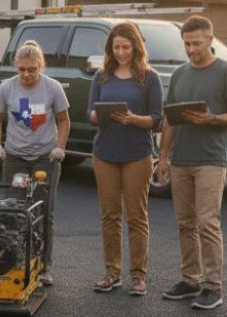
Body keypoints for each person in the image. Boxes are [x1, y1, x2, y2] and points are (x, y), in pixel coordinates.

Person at [156, 15, 227, 310]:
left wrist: (213, 119)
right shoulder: (180, 74)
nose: (191, 49)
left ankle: (212, 287)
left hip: (211, 159)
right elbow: (170, 117)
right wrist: (163, 158)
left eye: (196, 43)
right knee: (185, 223)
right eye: (187, 44)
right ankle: (189, 280)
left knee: (207, 223)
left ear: (210, 40)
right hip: (181, 159)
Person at [87, 21, 163, 296]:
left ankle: (138, 276)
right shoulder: (101, 77)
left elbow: (157, 120)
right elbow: (90, 114)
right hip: (105, 153)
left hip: (137, 155)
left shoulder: (149, 77)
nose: (120, 52)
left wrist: (133, 119)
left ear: (136, 47)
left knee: (136, 216)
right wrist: (99, 115)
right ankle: (111, 272)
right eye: (116, 47)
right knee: (109, 216)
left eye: (126, 47)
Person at [0, 39, 70, 286]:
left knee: (43, 210)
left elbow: (64, 120)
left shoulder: (53, 88)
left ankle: (44, 266)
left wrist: (59, 147)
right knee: (12, 208)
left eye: (31, 69)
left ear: (40, 66)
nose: (26, 74)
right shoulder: (6, 87)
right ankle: (14, 260)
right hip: (16, 158)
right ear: (16, 66)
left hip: (45, 158)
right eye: (21, 69)